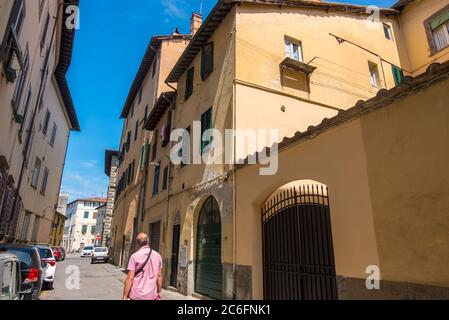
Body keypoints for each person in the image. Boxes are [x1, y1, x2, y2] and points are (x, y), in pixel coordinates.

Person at [123, 233, 163, 300]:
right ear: (148, 241)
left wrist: (125, 296)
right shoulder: (158, 256)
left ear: (137, 243)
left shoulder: (134, 256)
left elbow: (130, 278)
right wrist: (159, 291)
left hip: (136, 295)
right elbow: (159, 276)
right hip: (151, 295)